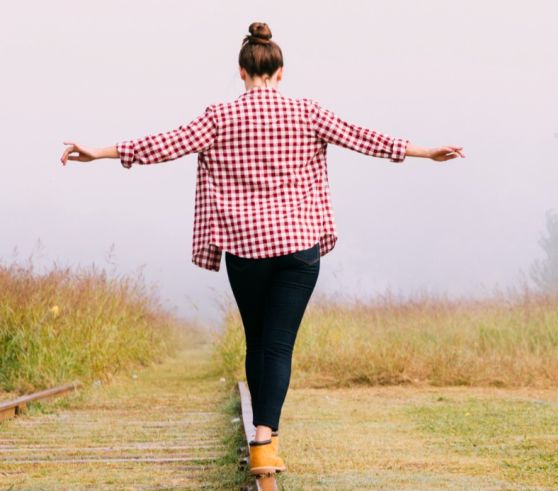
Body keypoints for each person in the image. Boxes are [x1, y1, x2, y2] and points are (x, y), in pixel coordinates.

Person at [59, 21, 464, 476]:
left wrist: (99, 152)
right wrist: (426, 152)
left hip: (244, 249)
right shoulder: (307, 112)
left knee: (258, 341)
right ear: (280, 72)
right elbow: (364, 138)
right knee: (278, 346)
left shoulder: (218, 117)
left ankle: (263, 439)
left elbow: (162, 145)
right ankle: (264, 440)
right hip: (298, 247)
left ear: (241, 71)